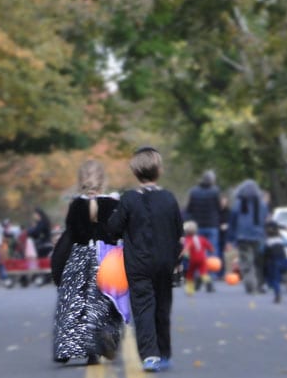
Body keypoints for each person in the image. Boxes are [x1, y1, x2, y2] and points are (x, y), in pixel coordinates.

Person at [109, 147, 183, 372]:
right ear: (158, 171)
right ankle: (165, 353)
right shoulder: (169, 198)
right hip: (164, 262)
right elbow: (178, 230)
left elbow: (113, 229)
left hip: (138, 263)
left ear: (135, 172)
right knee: (162, 306)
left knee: (143, 308)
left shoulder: (129, 199)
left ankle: (150, 356)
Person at [53, 160, 122, 365]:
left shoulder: (76, 205)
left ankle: (67, 347)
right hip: (104, 257)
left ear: (81, 180)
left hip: (79, 255)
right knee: (101, 301)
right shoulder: (113, 204)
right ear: (103, 180)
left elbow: (72, 232)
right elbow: (115, 231)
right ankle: (98, 345)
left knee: (73, 301)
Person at [229, 180, 268, 295]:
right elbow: (265, 220)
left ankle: (251, 285)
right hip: (258, 237)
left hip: (243, 237)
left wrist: (230, 238)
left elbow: (233, 222)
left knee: (246, 262)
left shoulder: (238, 204)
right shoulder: (262, 205)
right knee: (258, 262)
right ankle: (259, 284)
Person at [185, 170, 221, 280]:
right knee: (212, 249)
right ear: (212, 180)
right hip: (212, 224)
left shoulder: (194, 192)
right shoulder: (215, 191)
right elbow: (218, 208)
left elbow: (189, 209)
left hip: (198, 226)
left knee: (197, 250)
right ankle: (211, 274)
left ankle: (197, 273)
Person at [181, 220, 214, 295]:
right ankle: (209, 284)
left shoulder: (187, 239)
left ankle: (190, 290)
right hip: (202, 258)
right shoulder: (201, 238)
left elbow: (187, 247)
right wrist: (211, 251)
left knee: (190, 274)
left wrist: (183, 254)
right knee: (203, 272)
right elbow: (209, 246)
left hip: (193, 259)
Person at [263, 221, 287, 304]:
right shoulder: (280, 240)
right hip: (282, 259)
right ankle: (277, 289)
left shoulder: (268, 241)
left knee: (274, 279)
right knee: (277, 278)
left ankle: (277, 293)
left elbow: (264, 252)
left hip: (273, 261)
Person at [218, 195, 230, 280]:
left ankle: (222, 272)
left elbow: (230, 222)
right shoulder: (216, 211)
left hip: (224, 234)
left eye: (224, 201)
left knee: (222, 254)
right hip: (217, 232)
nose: (223, 203)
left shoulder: (228, 211)